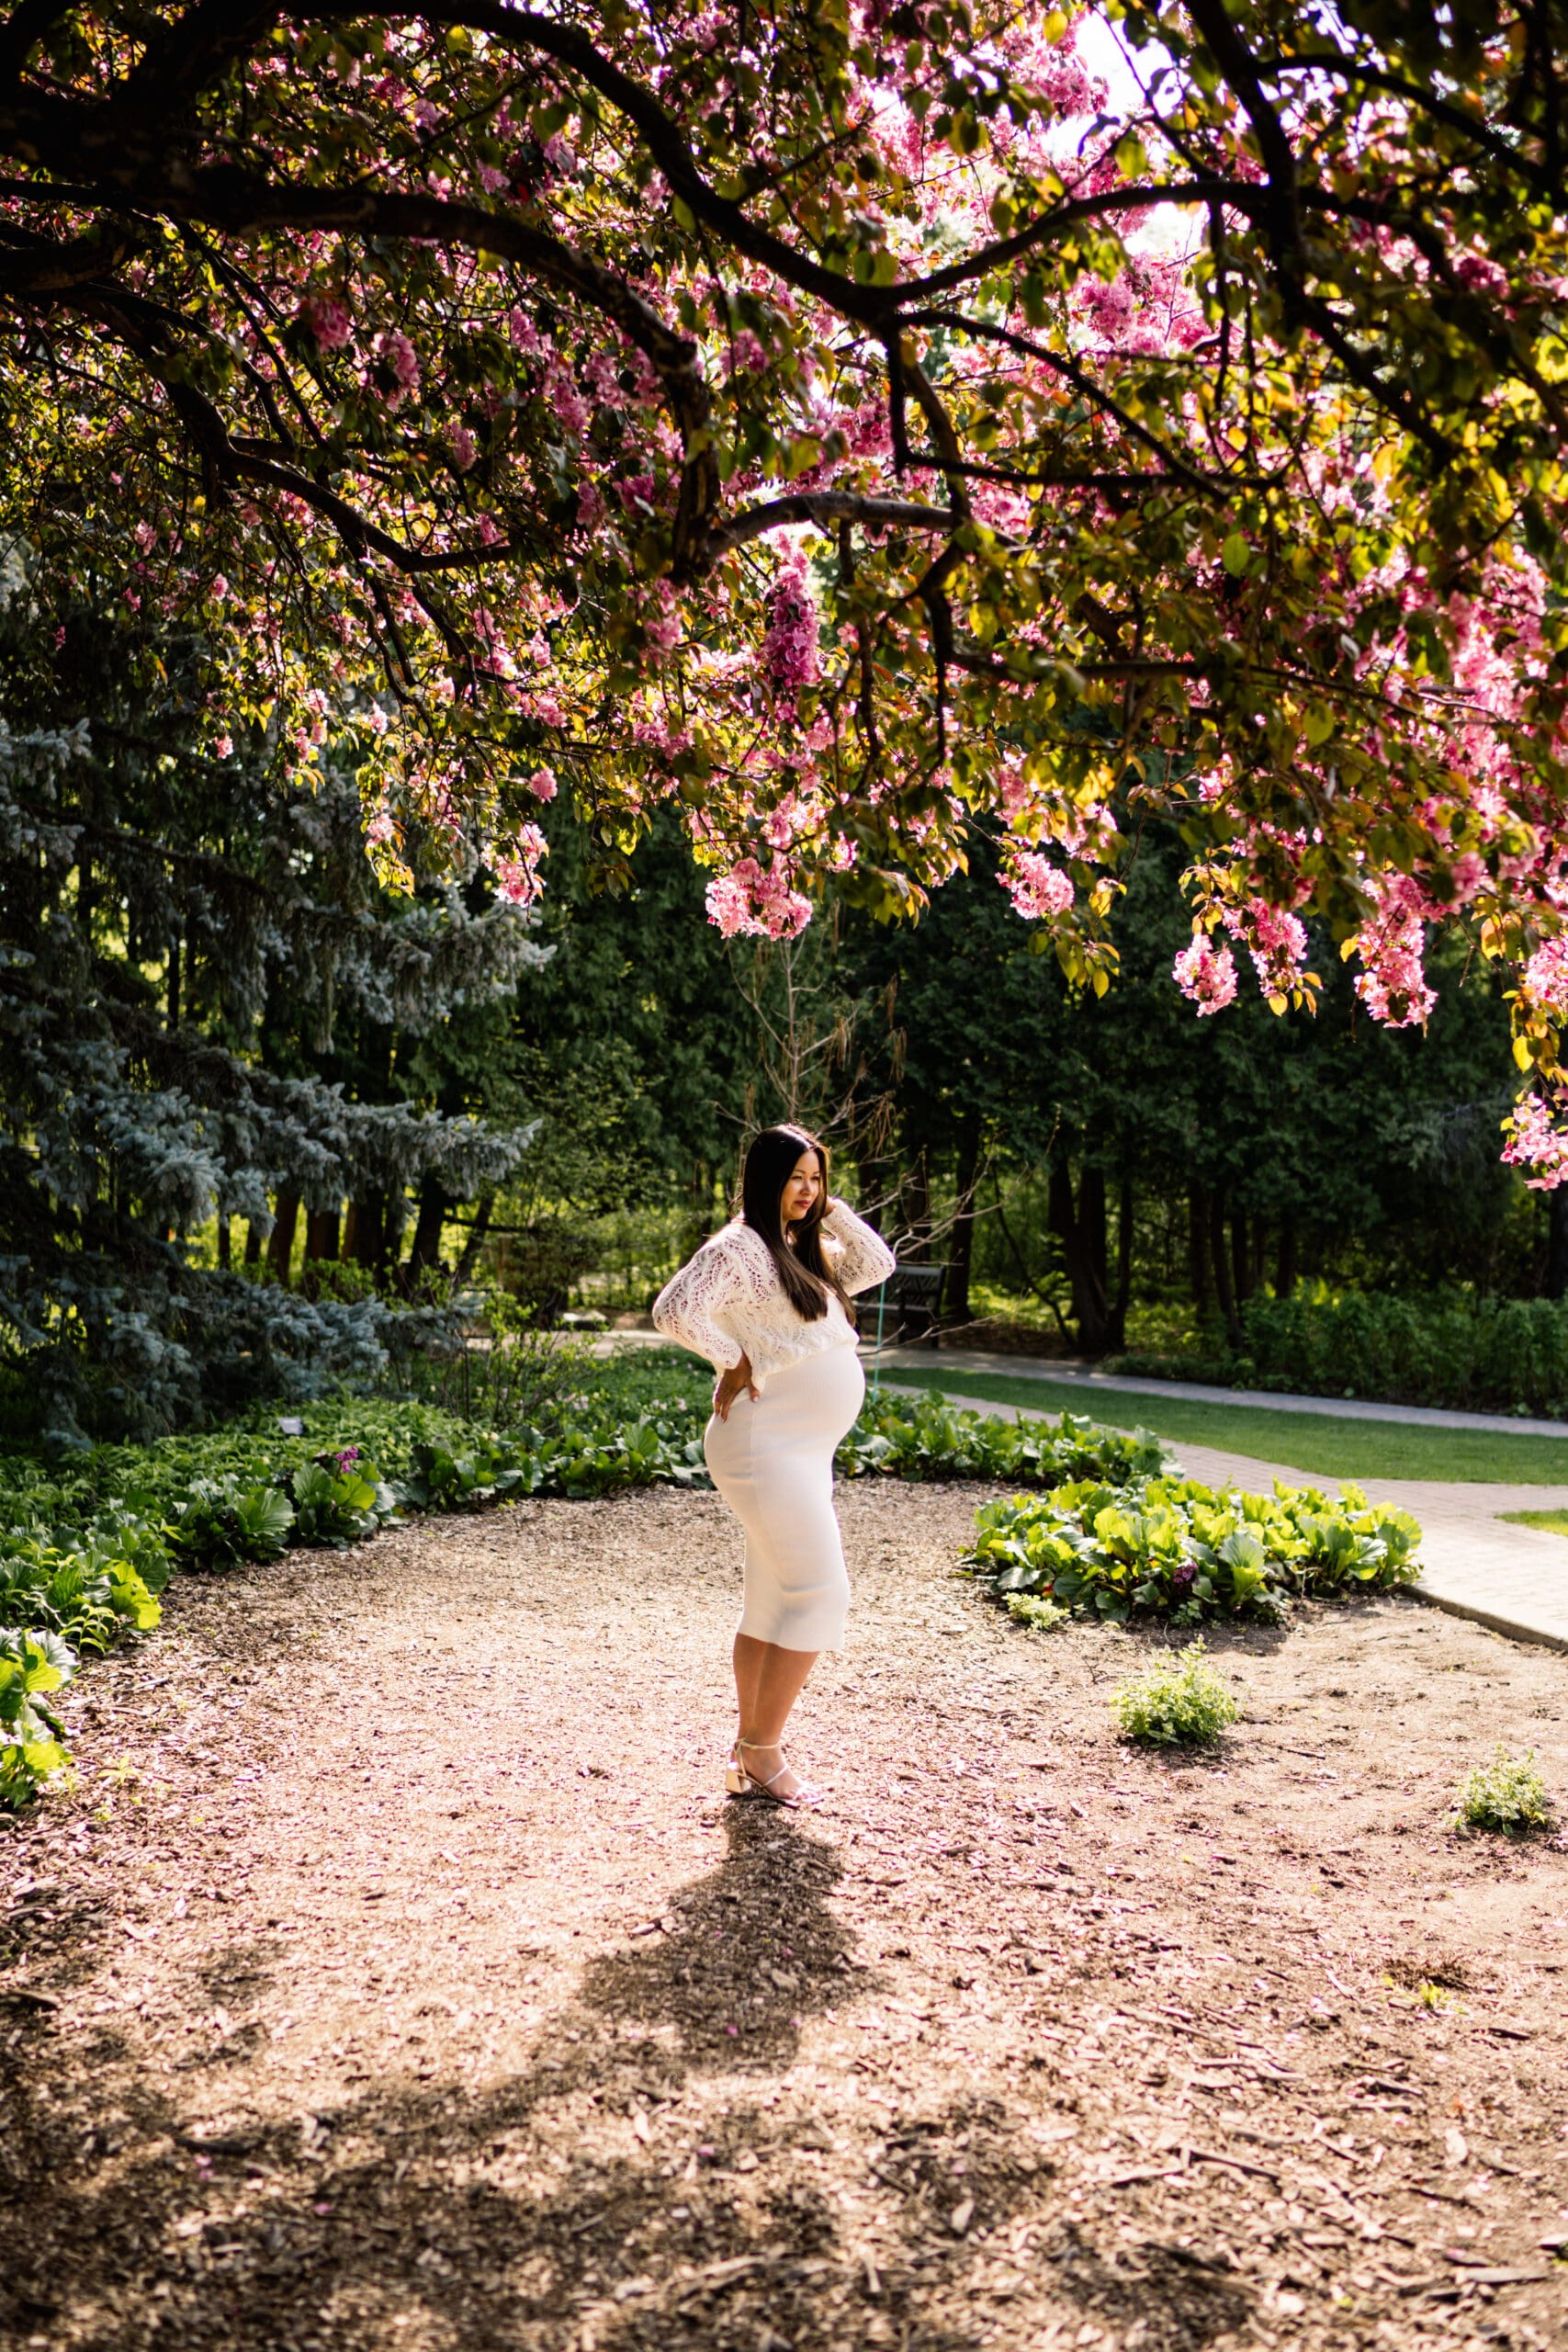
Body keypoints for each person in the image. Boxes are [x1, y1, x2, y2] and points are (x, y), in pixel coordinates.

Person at [652, 1125, 897, 1806]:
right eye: (795, 1179)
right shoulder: (737, 1248)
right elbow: (674, 1311)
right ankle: (761, 1753)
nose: (807, 1191)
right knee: (821, 1593)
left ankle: (747, 1754)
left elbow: (875, 1263)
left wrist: (830, 1208)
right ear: (763, 1179)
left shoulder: (803, 1245)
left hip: (802, 1448)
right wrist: (734, 1359)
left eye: (815, 1178)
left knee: (773, 1600)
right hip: (766, 1445)